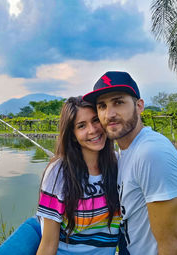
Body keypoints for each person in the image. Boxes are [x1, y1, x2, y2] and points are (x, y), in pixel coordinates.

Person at [83, 71, 177, 255]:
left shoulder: (152, 153)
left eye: (118, 102)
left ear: (139, 106)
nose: (109, 114)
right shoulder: (127, 151)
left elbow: (172, 248)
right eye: (102, 106)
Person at [36, 96, 121, 255]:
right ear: (73, 135)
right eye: (81, 126)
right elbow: (48, 244)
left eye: (95, 120)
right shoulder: (58, 172)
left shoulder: (118, 163)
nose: (92, 130)